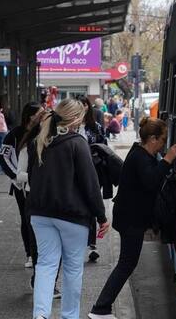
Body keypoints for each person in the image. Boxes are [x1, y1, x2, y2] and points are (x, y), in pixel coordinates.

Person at [88, 117, 176, 319]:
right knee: (126, 264)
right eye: (163, 140)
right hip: (131, 219)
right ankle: (100, 309)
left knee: (126, 263)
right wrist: (168, 159)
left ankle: (101, 308)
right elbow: (151, 181)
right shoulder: (140, 157)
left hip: (129, 217)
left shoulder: (141, 153)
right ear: (153, 139)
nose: (164, 144)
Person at [28, 99, 110, 319]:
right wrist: (101, 216)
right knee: (73, 268)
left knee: (45, 264)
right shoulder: (77, 143)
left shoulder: (40, 141)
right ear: (75, 119)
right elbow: (90, 184)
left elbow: (32, 178)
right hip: (72, 216)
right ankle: (69, 316)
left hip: (40, 213)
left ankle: (40, 315)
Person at [0, 102, 46, 269]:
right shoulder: (14, 134)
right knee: (27, 219)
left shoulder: (43, 131)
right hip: (21, 185)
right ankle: (30, 253)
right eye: (40, 113)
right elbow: (3, 157)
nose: (43, 115)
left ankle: (41, 252)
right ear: (31, 116)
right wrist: (16, 177)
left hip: (40, 184)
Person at [77, 96, 107, 263]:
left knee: (92, 205)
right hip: (73, 175)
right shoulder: (68, 128)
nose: (83, 108)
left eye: (85, 105)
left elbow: (104, 148)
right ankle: (80, 241)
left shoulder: (95, 127)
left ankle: (92, 245)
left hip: (94, 172)